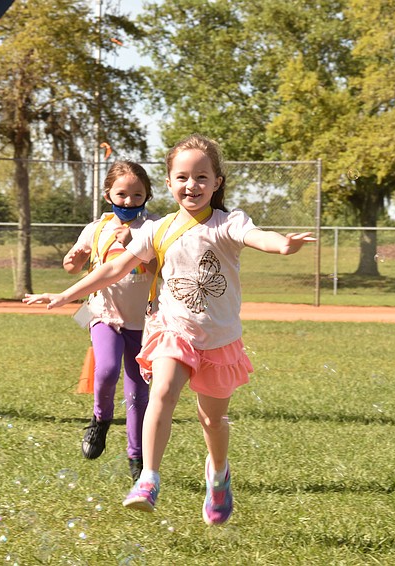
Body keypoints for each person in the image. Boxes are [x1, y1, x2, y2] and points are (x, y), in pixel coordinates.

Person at [24, 134, 315, 525]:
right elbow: (113, 268)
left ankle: (218, 473)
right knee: (160, 392)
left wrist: (281, 245)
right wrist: (65, 295)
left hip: (218, 338)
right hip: (171, 329)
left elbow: (255, 236)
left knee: (212, 421)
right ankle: (148, 478)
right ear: (168, 183)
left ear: (217, 182)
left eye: (201, 177)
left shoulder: (228, 223)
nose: (191, 185)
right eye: (182, 177)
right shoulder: (156, 230)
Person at [62, 160, 157, 483]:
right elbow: (75, 265)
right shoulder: (96, 228)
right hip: (103, 314)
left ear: (147, 195)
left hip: (143, 324)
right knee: (104, 371)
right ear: (108, 195)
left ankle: (137, 456)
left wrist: (136, 242)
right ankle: (100, 420)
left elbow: (164, 267)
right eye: (122, 194)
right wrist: (72, 261)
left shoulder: (155, 228)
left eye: (137, 194)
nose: (129, 201)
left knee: (137, 392)